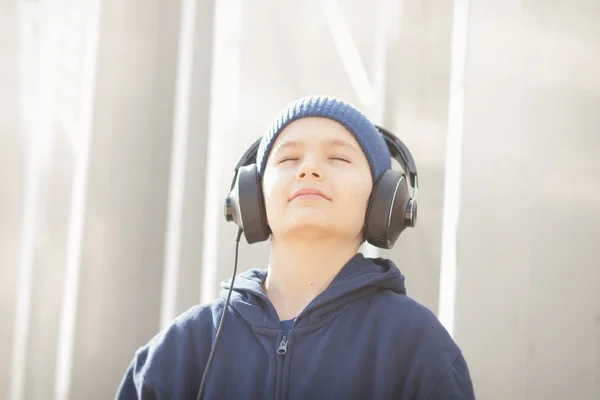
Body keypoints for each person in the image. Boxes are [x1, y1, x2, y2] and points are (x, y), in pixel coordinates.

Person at [116, 96, 475, 399]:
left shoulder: (415, 344)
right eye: (288, 159)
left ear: (384, 202)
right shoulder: (185, 347)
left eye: (339, 158)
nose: (309, 169)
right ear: (251, 197)